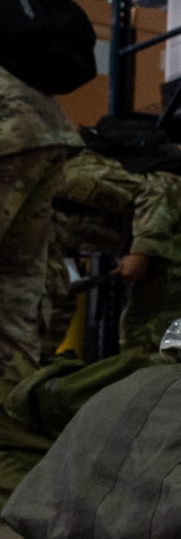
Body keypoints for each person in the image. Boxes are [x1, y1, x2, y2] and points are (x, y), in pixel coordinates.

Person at [45, 147, 181, 355]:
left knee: (143, 341)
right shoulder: (36, 225)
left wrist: (141, 252)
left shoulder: (68, 177)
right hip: (159, 236)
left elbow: (156, 191)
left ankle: (158, 383)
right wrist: (38, 355)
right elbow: (59, 296)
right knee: (137, 339)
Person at [0, 66, 80, 367]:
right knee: (17, 279)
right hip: (39, 126)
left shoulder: (88, 178)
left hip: (11, 128)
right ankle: (13, 403)